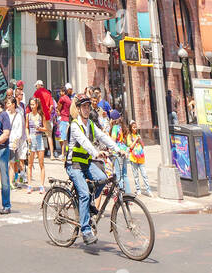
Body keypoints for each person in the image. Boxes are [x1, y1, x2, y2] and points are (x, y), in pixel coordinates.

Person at [65, 94, 118, 245]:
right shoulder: (75, 125)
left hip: (86, 164)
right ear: (79, 109)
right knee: (83, 195)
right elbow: (84, 142)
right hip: (73, 165)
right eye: (84, 106)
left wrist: (118, 148)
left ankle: (88, 203)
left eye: (88, 106)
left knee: (102, 179)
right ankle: (86, 230)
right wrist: (96, 152)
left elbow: (103, 136)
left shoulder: (91, 124)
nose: (87, 109)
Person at [126, 120, 153, 197]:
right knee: (136, 176)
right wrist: (136, 140)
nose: (135, 129)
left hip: (141, 158)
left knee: (144, 175)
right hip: (133, 159)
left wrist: (140, 140)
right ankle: (138, 190)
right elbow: (130, 146)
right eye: (134, 127)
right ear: (131, 128)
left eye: (136, 127)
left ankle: (148, 190)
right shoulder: (129, 136)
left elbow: (143, 146)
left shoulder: (138, 135)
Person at [26, 95, 47, 192]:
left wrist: (40, 128)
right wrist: (27, 136)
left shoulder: (41, 115)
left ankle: (42, 185)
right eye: (31, 104)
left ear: (37, 104)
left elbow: (45, 129)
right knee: (30, 164)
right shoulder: (28, 115)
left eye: (33, 104)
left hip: (39, 139)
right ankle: (29, 185)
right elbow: (26, 127)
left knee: (41, 163)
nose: (32, 106)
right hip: (31, 140)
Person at [32, 79, 55, 158]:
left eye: (36, 86)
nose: (36, 88)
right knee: (49, 136)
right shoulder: (48, 93)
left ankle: (35, 154)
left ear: (38, 85)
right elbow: (52, 106)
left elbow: (33, 104)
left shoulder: (37, 92)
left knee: (36, 134)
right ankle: (52, 155)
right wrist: (48, 112)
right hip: (47, 116)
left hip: (39, 115)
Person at [8, 96, 27, 189]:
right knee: (6, 163)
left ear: (13, 104)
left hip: (13, 143)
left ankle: (11, 182)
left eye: (9, 103)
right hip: (5, 142)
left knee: (12, 163)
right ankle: (8, 181)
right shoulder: (6, 114)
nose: (7, 105)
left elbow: (20, 130)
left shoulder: (19, 115)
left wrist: (15, 141)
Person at [109, 110, 129, 193]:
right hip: (124, 150)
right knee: (124, 174)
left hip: (118, 152)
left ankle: (121, 194)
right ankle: (128, 193)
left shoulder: (114, 128)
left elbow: (113, 141)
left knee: (118, 174)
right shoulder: (121, 127)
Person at [56, 85, 72, 157]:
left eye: (60, 91)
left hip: (62, 118)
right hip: (68, 119)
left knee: (62, 138)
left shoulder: (62, 99)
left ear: (63, 92)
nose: (59, 93)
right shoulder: (68, 99)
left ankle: (63, 154)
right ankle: (66, 153)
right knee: (66, 138)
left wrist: (58, 111)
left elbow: (58, 107)